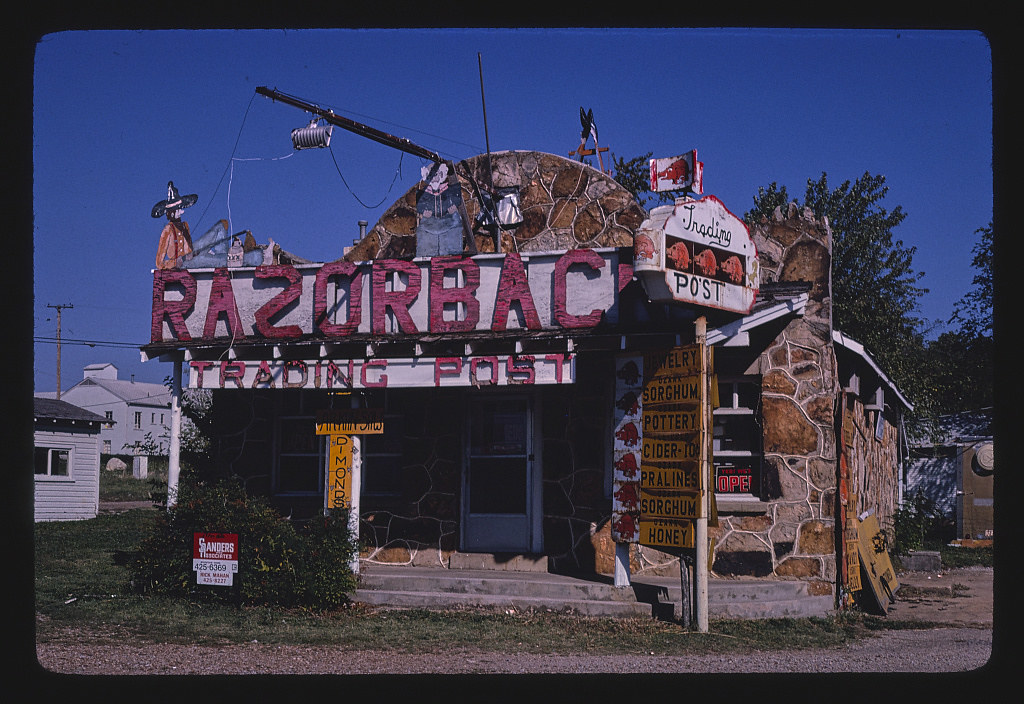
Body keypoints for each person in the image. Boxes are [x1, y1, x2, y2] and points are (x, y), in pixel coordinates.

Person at [152, 181, 198, 269]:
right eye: (178, 210)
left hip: (190, 263)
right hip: (180, 266)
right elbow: (159, 263)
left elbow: (189, 250)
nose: (182, 212)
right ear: (172, 213)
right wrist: (175, 263)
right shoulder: (168, 229)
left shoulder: (185, 225)